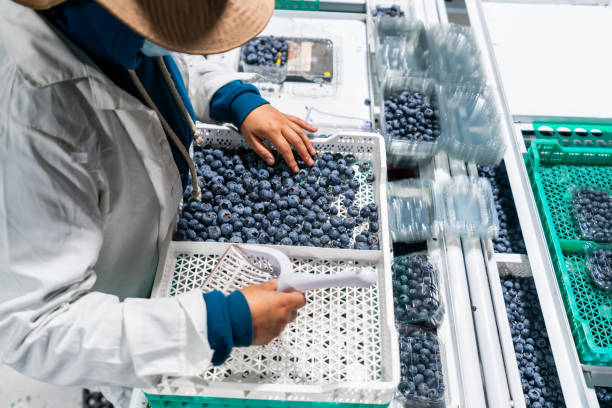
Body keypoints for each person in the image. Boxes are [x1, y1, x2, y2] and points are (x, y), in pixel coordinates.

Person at [0, 0, 315, 406]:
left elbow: (170, 57)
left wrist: (232, 98)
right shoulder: (30, 118)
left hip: (159, 241)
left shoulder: (103, 27)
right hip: (116, 300)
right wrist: (215, 323)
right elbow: (36, 327)